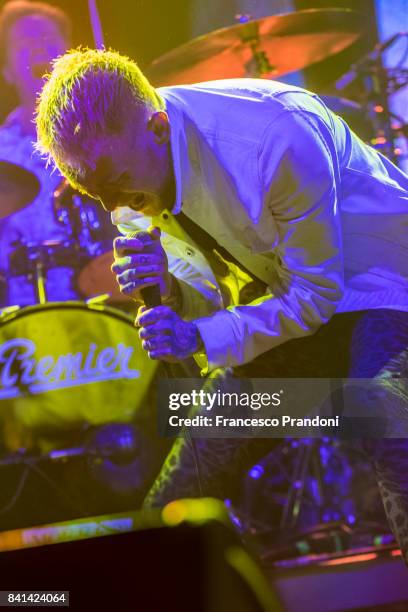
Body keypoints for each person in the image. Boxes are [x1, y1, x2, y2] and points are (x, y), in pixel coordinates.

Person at [35, 48, 408, 561]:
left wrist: (196, 336)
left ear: (159, 129)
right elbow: (222, 305)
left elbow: (316, 294)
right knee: (175, 499)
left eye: (113, 183)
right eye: (90, 191)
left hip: (380, 287)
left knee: (387, 422)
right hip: (292, 316)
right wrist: (168, 294)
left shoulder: (274, 136)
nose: (111, 205)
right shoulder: (131, 185)